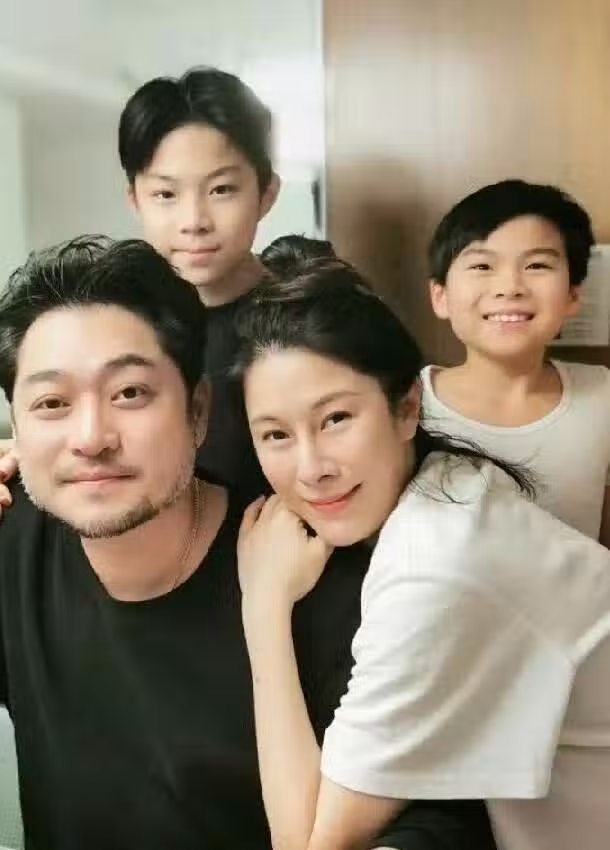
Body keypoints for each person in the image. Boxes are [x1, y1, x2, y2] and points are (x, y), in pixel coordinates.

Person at [0, 238, 494, 850]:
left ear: (198, 412)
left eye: (130, 393)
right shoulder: (4, 530)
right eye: (52, 403)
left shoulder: (307, 564)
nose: (91, 437)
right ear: (14, 425)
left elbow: (436, 820)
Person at [232, 257, 610, 850]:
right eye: (276, 434)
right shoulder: (449, 485)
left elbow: (309, 842)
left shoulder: (435, 566)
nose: (311, 468)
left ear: (407, 408)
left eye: (336, 419)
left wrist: (262, 606)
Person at [0, 68, 336, 516]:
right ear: (135, 199)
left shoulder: (311, 324)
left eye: (221, 189)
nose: (194, 221)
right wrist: (26, 455)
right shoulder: (119, 326)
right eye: (165, 195)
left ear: (267, 192)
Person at [423, 179, 610, 543]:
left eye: (537, 265)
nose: (509, 287)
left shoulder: (602, 395)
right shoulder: (406, 407)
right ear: (440, 295)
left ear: (573, 295)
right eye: (482, 266)